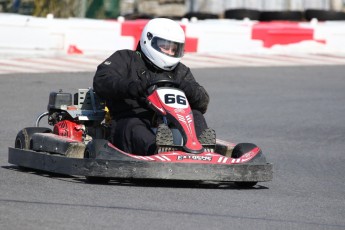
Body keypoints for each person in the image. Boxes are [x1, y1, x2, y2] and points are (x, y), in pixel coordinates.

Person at [93, 18, 214, 156]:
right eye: (165, 47)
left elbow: (203, 102)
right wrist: (133, 87)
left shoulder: (180, 71)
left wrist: (187, 88)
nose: (169, 52)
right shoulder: (125, 58)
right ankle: (157, 151)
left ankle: (201, 151)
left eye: (174, 49)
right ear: (149, 40)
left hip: (170, 122)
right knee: (134, 125)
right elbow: (101, 81)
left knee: (196, 115)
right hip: (130, 119)